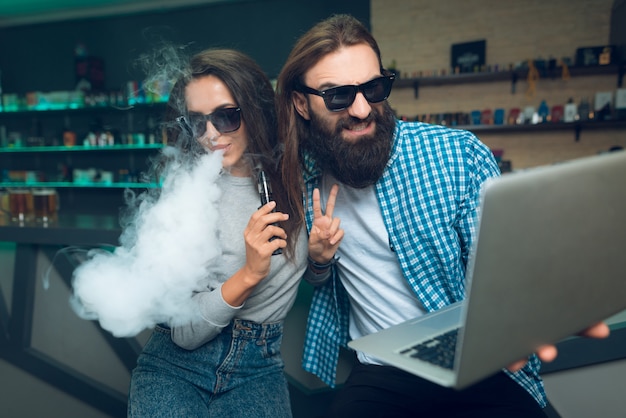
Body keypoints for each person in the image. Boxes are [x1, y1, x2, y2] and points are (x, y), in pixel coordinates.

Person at [276, 14, 610, 417]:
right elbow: (318, 276)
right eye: (338, 96)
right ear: (301, 103)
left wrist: (541, 306)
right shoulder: (301, 178)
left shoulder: (456, 156)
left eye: (374, 88)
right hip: (383, 372)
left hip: (476, 364)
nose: (362, 109)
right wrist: (319, 260)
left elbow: (502, 271)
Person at [128, 48, 308, 417]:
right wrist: (249, 274)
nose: (210, 134)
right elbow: (185, 334)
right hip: (178, 366)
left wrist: (320, 259)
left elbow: (311, 278)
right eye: (197, 122)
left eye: (227, 117)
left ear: (256, 110)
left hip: (259, 368)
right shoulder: (186, 193)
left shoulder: (298, 174)